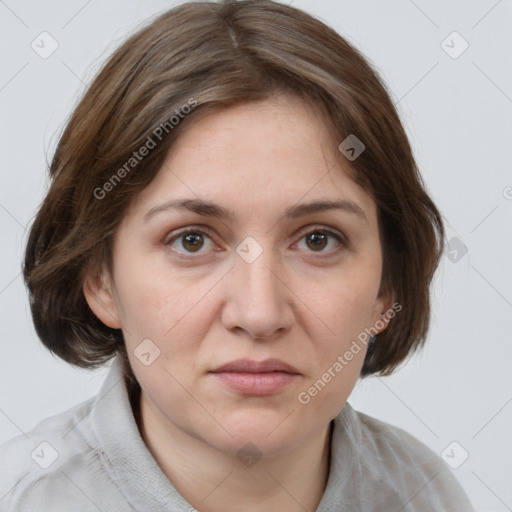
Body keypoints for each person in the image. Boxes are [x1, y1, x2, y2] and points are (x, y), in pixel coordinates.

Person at [0, 1, 475, 510]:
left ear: (388, 287)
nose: (259, 313)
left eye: (318, 239)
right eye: (192, 240)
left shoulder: (429, 495)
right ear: (99, 279)